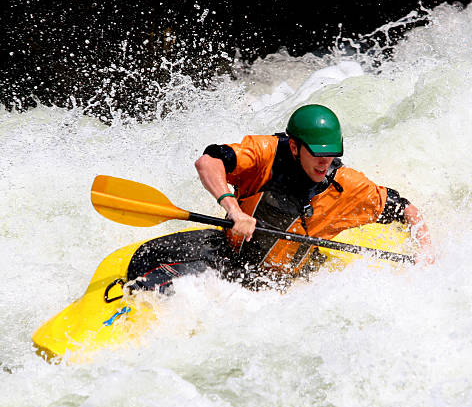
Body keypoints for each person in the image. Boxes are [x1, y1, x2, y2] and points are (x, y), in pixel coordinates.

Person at [127, 104, 433, 292]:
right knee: (144, 256)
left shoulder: (347, 186)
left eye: (331, 154)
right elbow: (208, 162)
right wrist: (234, 211)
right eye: (317, 153)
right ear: (295, 147)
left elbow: (406, 209)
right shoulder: (266, 155)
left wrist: (426, 249)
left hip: (277, 283)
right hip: (231, 253)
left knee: (178, 283)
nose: (324, 162)